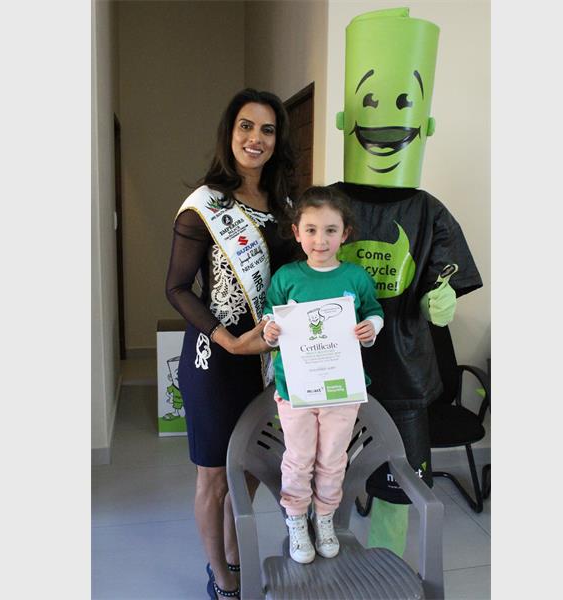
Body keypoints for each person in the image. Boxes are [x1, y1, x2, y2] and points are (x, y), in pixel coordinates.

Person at [329, 8, 484, 555]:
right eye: (370, 102)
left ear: (426, 125)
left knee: (398, 480)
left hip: (404, 373)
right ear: (346, 119)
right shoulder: (327, 205)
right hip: (333, 368)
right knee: (330, 473)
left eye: (403, 103)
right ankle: (333, 557)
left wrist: (443, 298)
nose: (388, 119)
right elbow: (292, 278)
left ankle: (388, 568)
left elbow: (449, 273)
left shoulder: (428, 210)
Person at [165, 88, 297, 599]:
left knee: (253, 469)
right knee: (215, 477)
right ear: (230, 132)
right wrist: (228, 341)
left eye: (267, 129)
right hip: (217, 360)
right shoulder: (205, 205)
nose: (255, 138)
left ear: (277, 140)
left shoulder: (286, 206)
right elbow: (177, 288)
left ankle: (237, 555)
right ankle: (221, 578)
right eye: (246, 126)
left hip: (269, 359)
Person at [262, 186, 384, 564]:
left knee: (332, 458)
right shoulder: (287, 277)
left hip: (341, 390)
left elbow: (374, 311)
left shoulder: (356, 277)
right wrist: (270, 331)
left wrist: (371, 328)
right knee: (299, 458)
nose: (320, 240)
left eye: (331, 230)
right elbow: (270, 315)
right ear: (296, 232)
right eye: (311, 230)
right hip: (295, 389)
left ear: (345, 234)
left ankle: (325, 517)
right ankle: (297, 520)